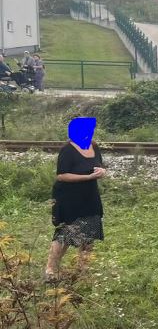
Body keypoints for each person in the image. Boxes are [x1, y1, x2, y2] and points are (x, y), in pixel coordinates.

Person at [46, 118, 107, 280]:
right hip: (68, 196)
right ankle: (50, 270)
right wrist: (88, 177)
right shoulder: (67, 150)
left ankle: (82, 270)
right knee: (65, 232)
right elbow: (61, 175)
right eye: (87, 130)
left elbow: (99, 166)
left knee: (90, 229)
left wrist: (102, 172)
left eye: (91, 129)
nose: (91, 132)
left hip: (89, 196)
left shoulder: (94, 146)